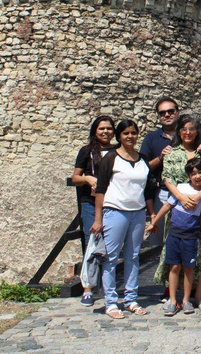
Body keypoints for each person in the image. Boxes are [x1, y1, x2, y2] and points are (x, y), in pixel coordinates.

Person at [91, 119, 155, 319]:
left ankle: (131, 299)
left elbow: (148, 190)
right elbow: (100, 190)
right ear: (119, 136)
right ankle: (110, 302)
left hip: (137, 213)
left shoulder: (143, 159)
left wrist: (151, 214)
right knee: (110, 258)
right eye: (126, 133)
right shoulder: (111, 158)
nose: (130, 136)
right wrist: (98, 219)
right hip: (115, 211)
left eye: (133, 133)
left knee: (133, 256)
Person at [152, 115, 201, 304]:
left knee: (199, 251)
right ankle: (171, 291)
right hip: (178, 208)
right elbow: (167, 178)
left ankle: (197, 292)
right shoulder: (172, 153)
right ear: (179, 132)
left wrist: (198, 197)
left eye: (191, 129)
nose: (187, 133)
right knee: (172, 249)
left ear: (197, 132)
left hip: (200, 206)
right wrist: (181, 198)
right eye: (183, 129)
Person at [147, 158, 201, 316]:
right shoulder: (180, 189)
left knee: (189, 269)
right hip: (174, 234)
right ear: (188, 176)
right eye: (193, 174)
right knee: (173, 267)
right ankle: (173, 300)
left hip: (191, 236)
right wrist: (154, 221)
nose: (197, 176)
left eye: (200, 172)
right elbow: (168, 205)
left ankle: (186, 299)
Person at [71, 115, 116, 307]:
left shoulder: (118, 151)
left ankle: (108, 287)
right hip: (90, 203)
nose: (105, 132)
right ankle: (88, 288)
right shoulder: (87, 151)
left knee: (112, 246)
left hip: (113, 203)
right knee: (92, 243)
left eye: (109, 128)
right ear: (95, 131)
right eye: (101, 129)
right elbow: (75, 177)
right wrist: (88, 179)